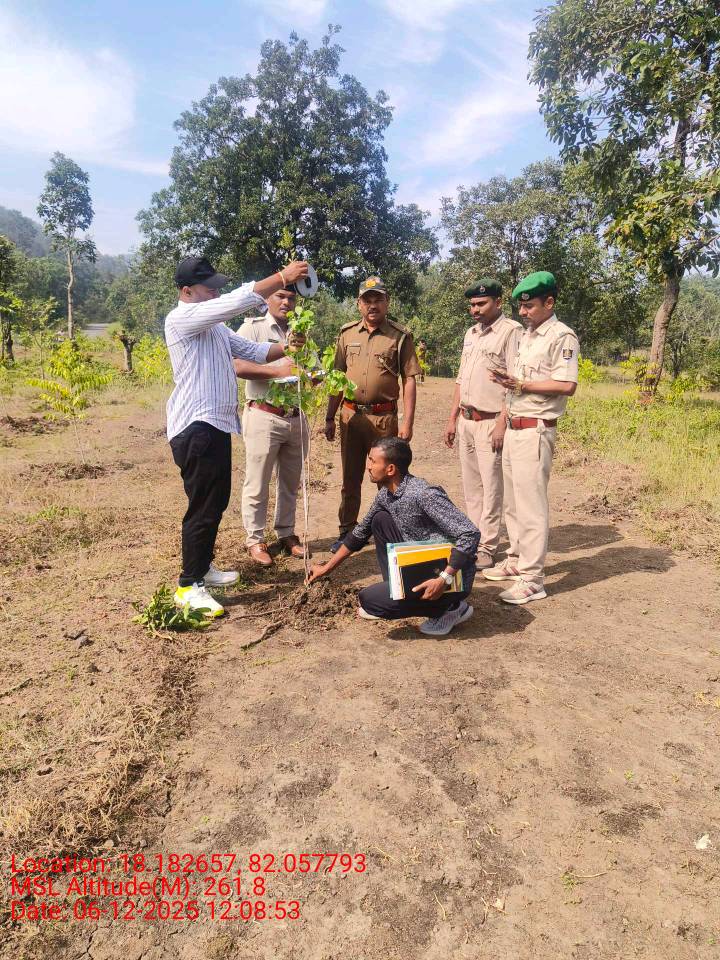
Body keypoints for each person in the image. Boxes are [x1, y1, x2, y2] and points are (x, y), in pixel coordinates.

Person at [165, 255, 309, 616]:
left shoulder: (215, 329)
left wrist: (287, 347)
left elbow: (255, 351)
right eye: (209, 287)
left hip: (216, 424)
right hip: (195, 425)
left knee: (215, 502)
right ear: (187, 291)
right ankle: (189, 586)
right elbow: (237, 300)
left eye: (217, 286)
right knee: (203, 507)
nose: (216, 292)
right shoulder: (182, 318)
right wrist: (282, 277)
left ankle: (202, 568)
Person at [308, 437, 479, 637]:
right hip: (421, 561)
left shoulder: (424, 494)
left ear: (390, 469)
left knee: (369, 600)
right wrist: (327, 568)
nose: (368, 466)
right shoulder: (386, 495)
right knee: (380, 520)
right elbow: (360, 533)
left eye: (373, 461)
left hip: (450, 576)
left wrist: (444, 578)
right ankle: (398, 590)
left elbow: (470, 533)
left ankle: (449, 609)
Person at [484, 271, 579, 604]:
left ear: (549, 302)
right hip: (514, 425)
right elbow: (518, 383)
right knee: (512, 502)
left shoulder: (561, 336)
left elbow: (566, 385)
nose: (523, 312)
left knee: (531, 506)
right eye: (521, 307)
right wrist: (508, 393)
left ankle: (533, 578)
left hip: (536, 428)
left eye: (529, 306)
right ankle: (516, 559)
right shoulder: (527, 336)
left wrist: (522, 385)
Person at [324, 277, 421, 552]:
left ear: (387, 302)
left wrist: (407, 422)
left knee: (389, 477)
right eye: (367, 300)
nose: (373, 305)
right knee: (350, 479)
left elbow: (409, 379)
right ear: (359, 304)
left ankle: (390, 532)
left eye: (378, 299)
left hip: (384, 419)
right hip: (351, 417)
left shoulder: (400, 336)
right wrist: (330, 416)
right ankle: (347, 531)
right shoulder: (346, 335)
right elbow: (337, 378)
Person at [444, 279, 522, 570]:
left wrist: (502, 421)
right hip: (466, 419)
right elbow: (461, 378)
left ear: (498, 302)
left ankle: (488, 547)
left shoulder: (511, 331)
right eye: (472, 305)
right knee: (472, 488)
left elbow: (515, 382)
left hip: (491, 421)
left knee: (491, 488)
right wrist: (452, 418)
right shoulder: (471, 333)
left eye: (481, 304)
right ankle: (472, 540)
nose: (475, 310)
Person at [236, 285, 310, 567]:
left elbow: (312, 366)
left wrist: (314, 375)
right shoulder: (252, 328)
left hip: (295, 416)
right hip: (263, 414)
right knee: (257, 482)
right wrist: (278, 371)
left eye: (291, 297)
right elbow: (238, 366)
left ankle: (286, 533)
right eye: (280, 296)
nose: (286, 302)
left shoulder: (301, 330)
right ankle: (255, 539)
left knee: (290, 482)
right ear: (267, 298)